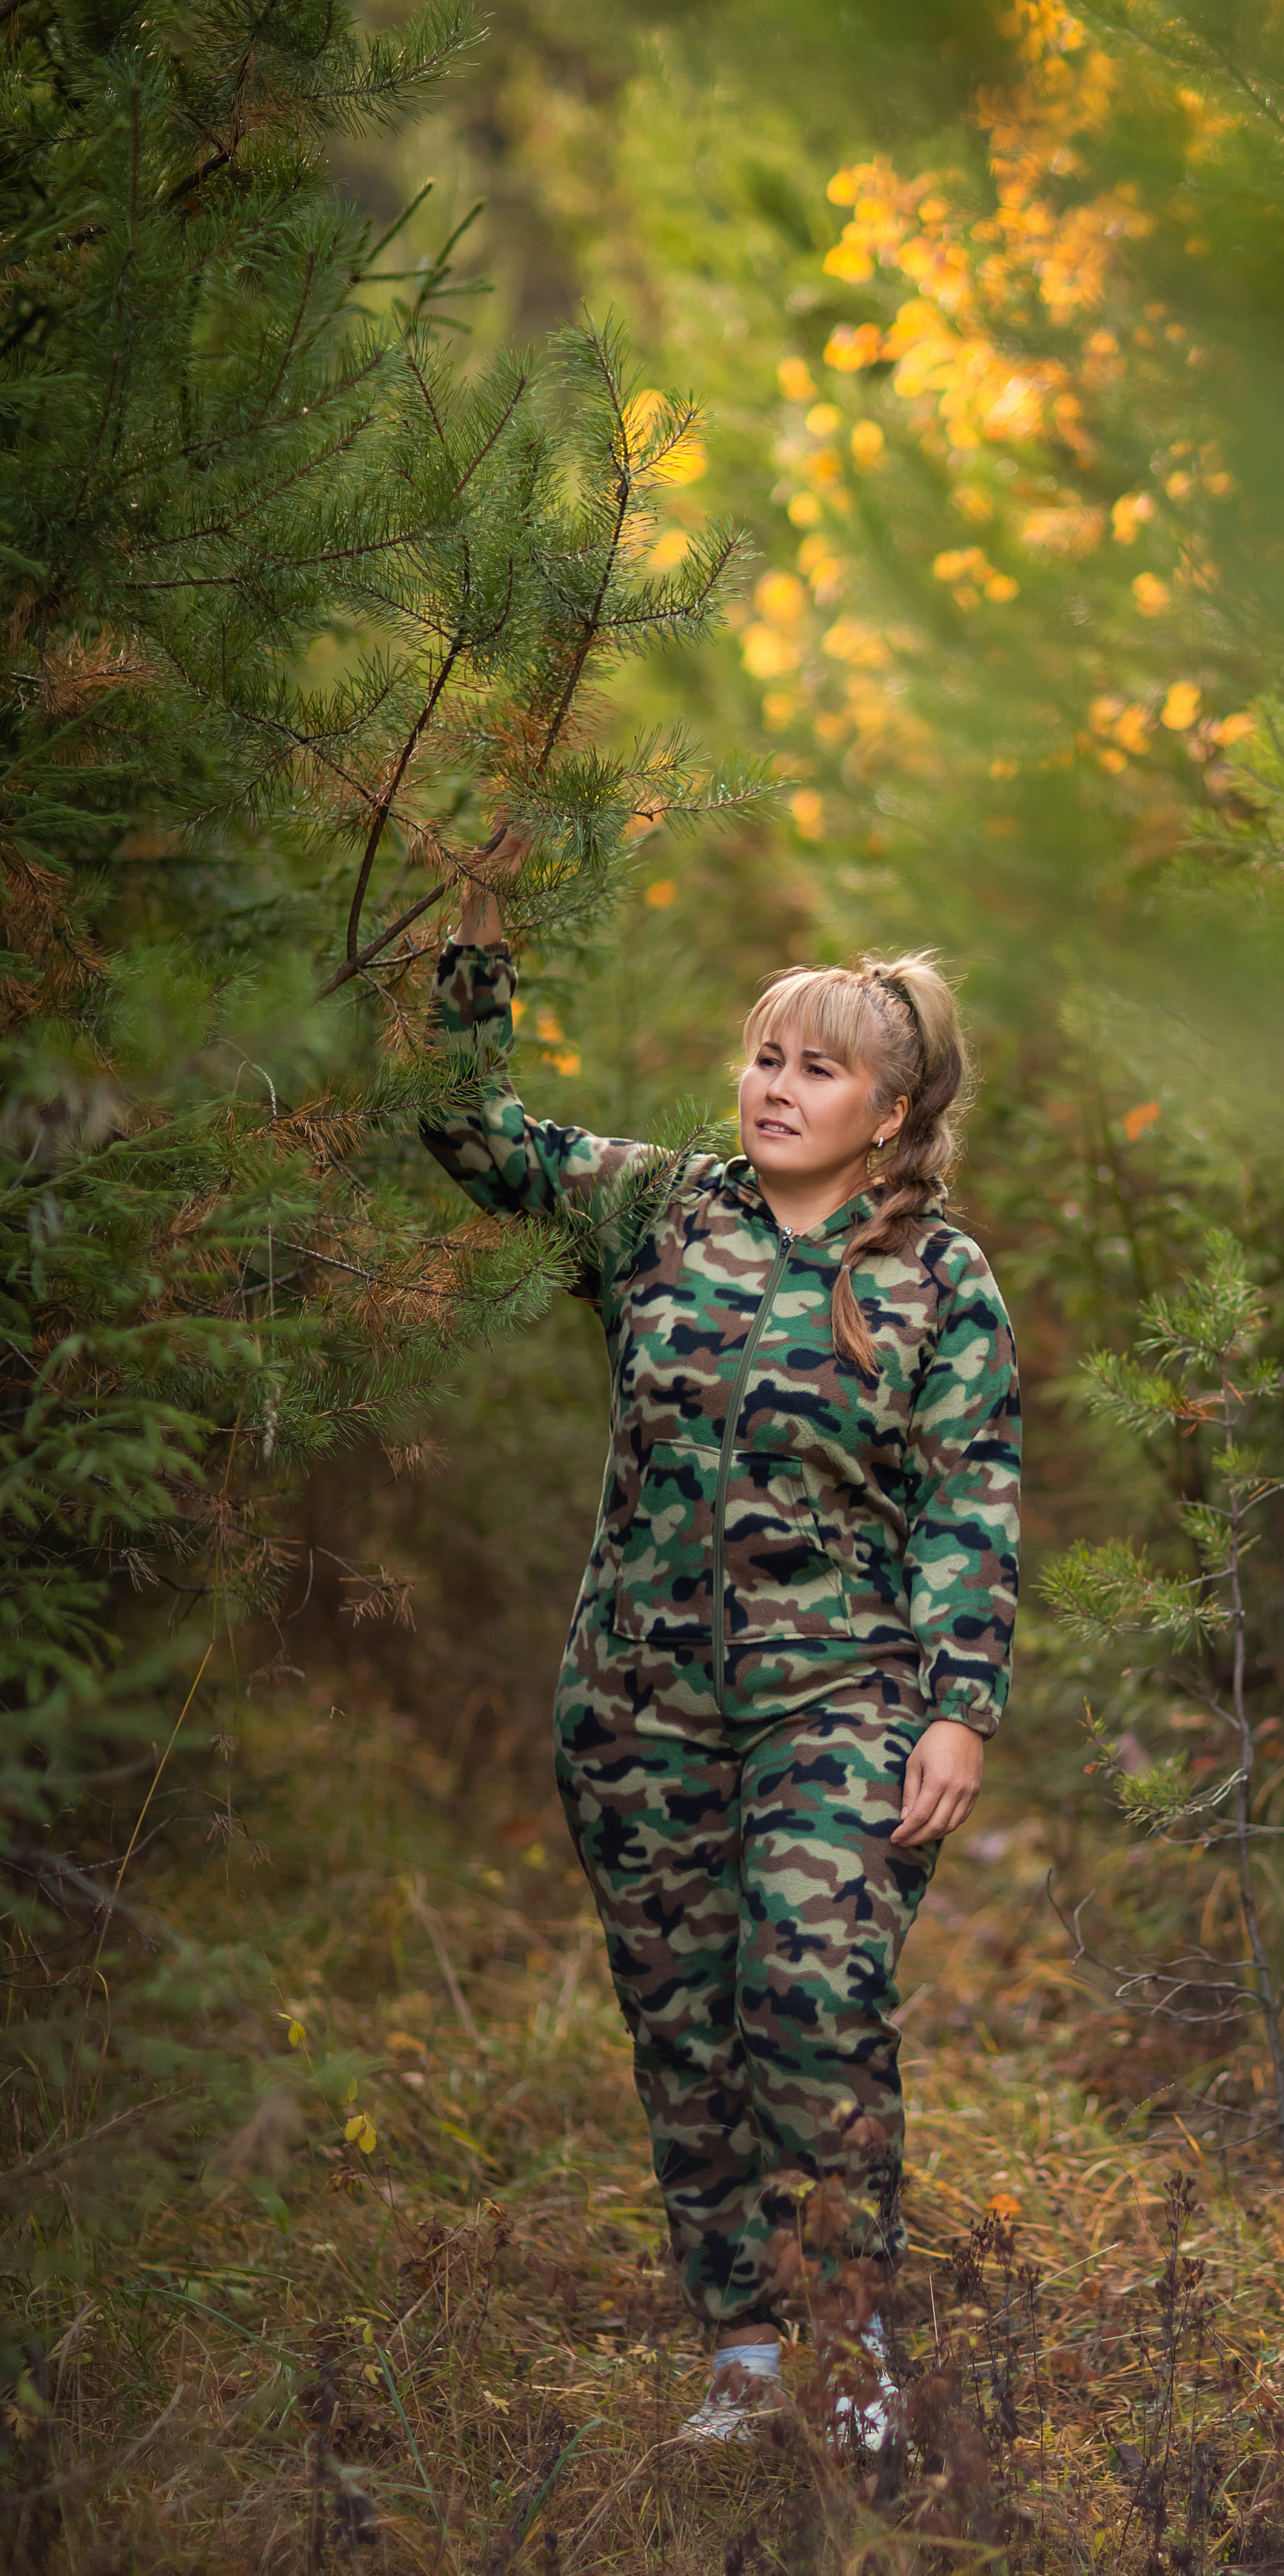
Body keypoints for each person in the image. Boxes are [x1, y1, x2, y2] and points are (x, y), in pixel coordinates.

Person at [420, 829, 1020, 2445]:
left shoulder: (934, 1282)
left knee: (809, 1996)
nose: (772, 1088)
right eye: (761, 1059)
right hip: (636, 1709)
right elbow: (466, 1130)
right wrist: (476, 936)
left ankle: (851, 2350)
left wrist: (957, 1708)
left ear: (886, 1111)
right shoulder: (654, 1215)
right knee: (685, 2022)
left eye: (814, 1070)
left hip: (841, 1707)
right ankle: (743, 2354)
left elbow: (970, 1497)